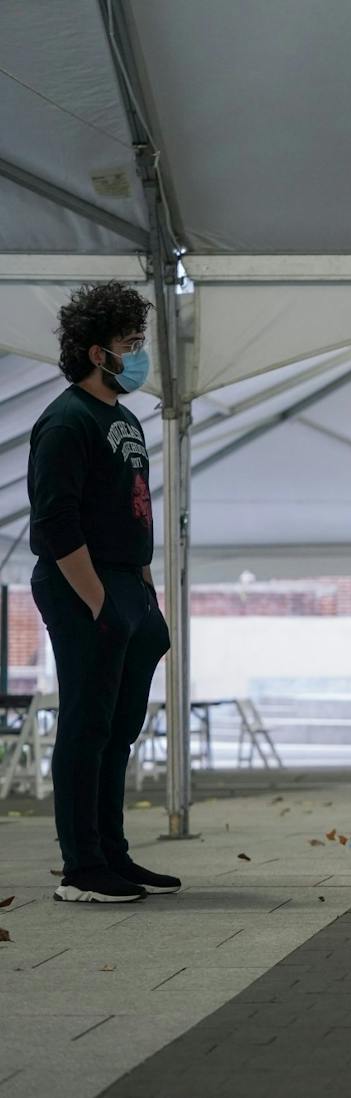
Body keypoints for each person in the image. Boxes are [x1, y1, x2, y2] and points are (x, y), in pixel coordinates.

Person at [28, 282, 174, 903]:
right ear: (96, 352)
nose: (138, 355)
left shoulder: (123, 417)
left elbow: (132, 510)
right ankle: (80, 867)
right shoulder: (65, 422)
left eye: (140, 342)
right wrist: (96, 603)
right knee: (86, 727)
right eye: (129, 344)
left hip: (126, 585)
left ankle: (112, 852)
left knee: (120, 728)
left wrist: (145, 594)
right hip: (80, 585)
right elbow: (55, 524)